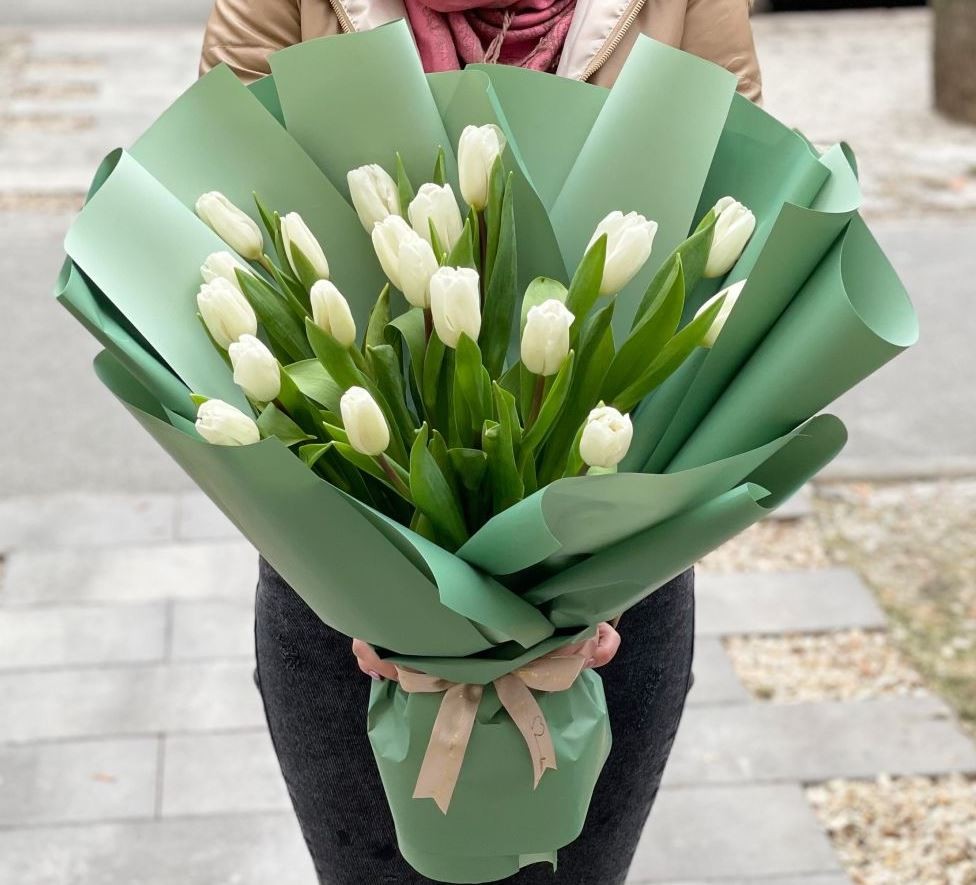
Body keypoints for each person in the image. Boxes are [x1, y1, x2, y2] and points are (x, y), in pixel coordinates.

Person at [199, 2, 761, 882]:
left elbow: (741, 195)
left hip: (611, 595)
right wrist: (365, 590)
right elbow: (218, 199)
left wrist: (605, 584)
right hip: (344, 590)